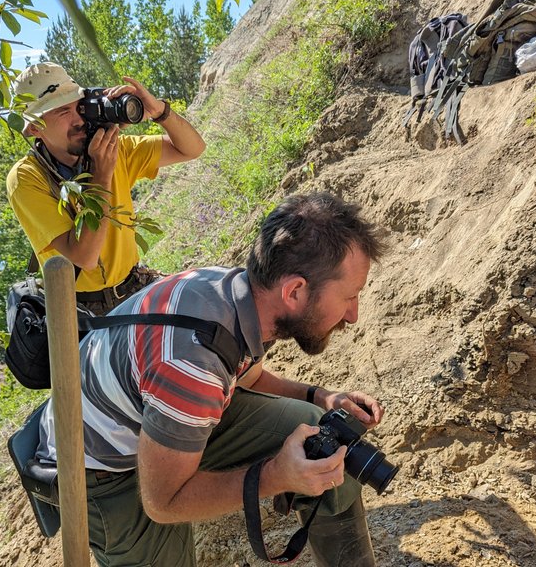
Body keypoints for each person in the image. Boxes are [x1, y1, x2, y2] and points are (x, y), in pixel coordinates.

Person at [36, 191, 389, 567]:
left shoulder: (235, 295)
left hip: (164, 414)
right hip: (102, 466)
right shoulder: (192, 366)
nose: (352, 315)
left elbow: (244, 373)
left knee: (328, 446)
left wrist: (319, 397)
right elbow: (164, 501)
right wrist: (277, 476)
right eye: (349, 296)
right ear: (295, 291)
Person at [7, 62, 206, 314]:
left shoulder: (114, 150)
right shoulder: (26, 178)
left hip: (133, 286)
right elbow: (85, 257)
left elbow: (192, 149)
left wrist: (159, 111)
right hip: (82, 310)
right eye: (62, 112)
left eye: (79, 106)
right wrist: (102, 174)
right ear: (35, 127)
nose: (78, 119)